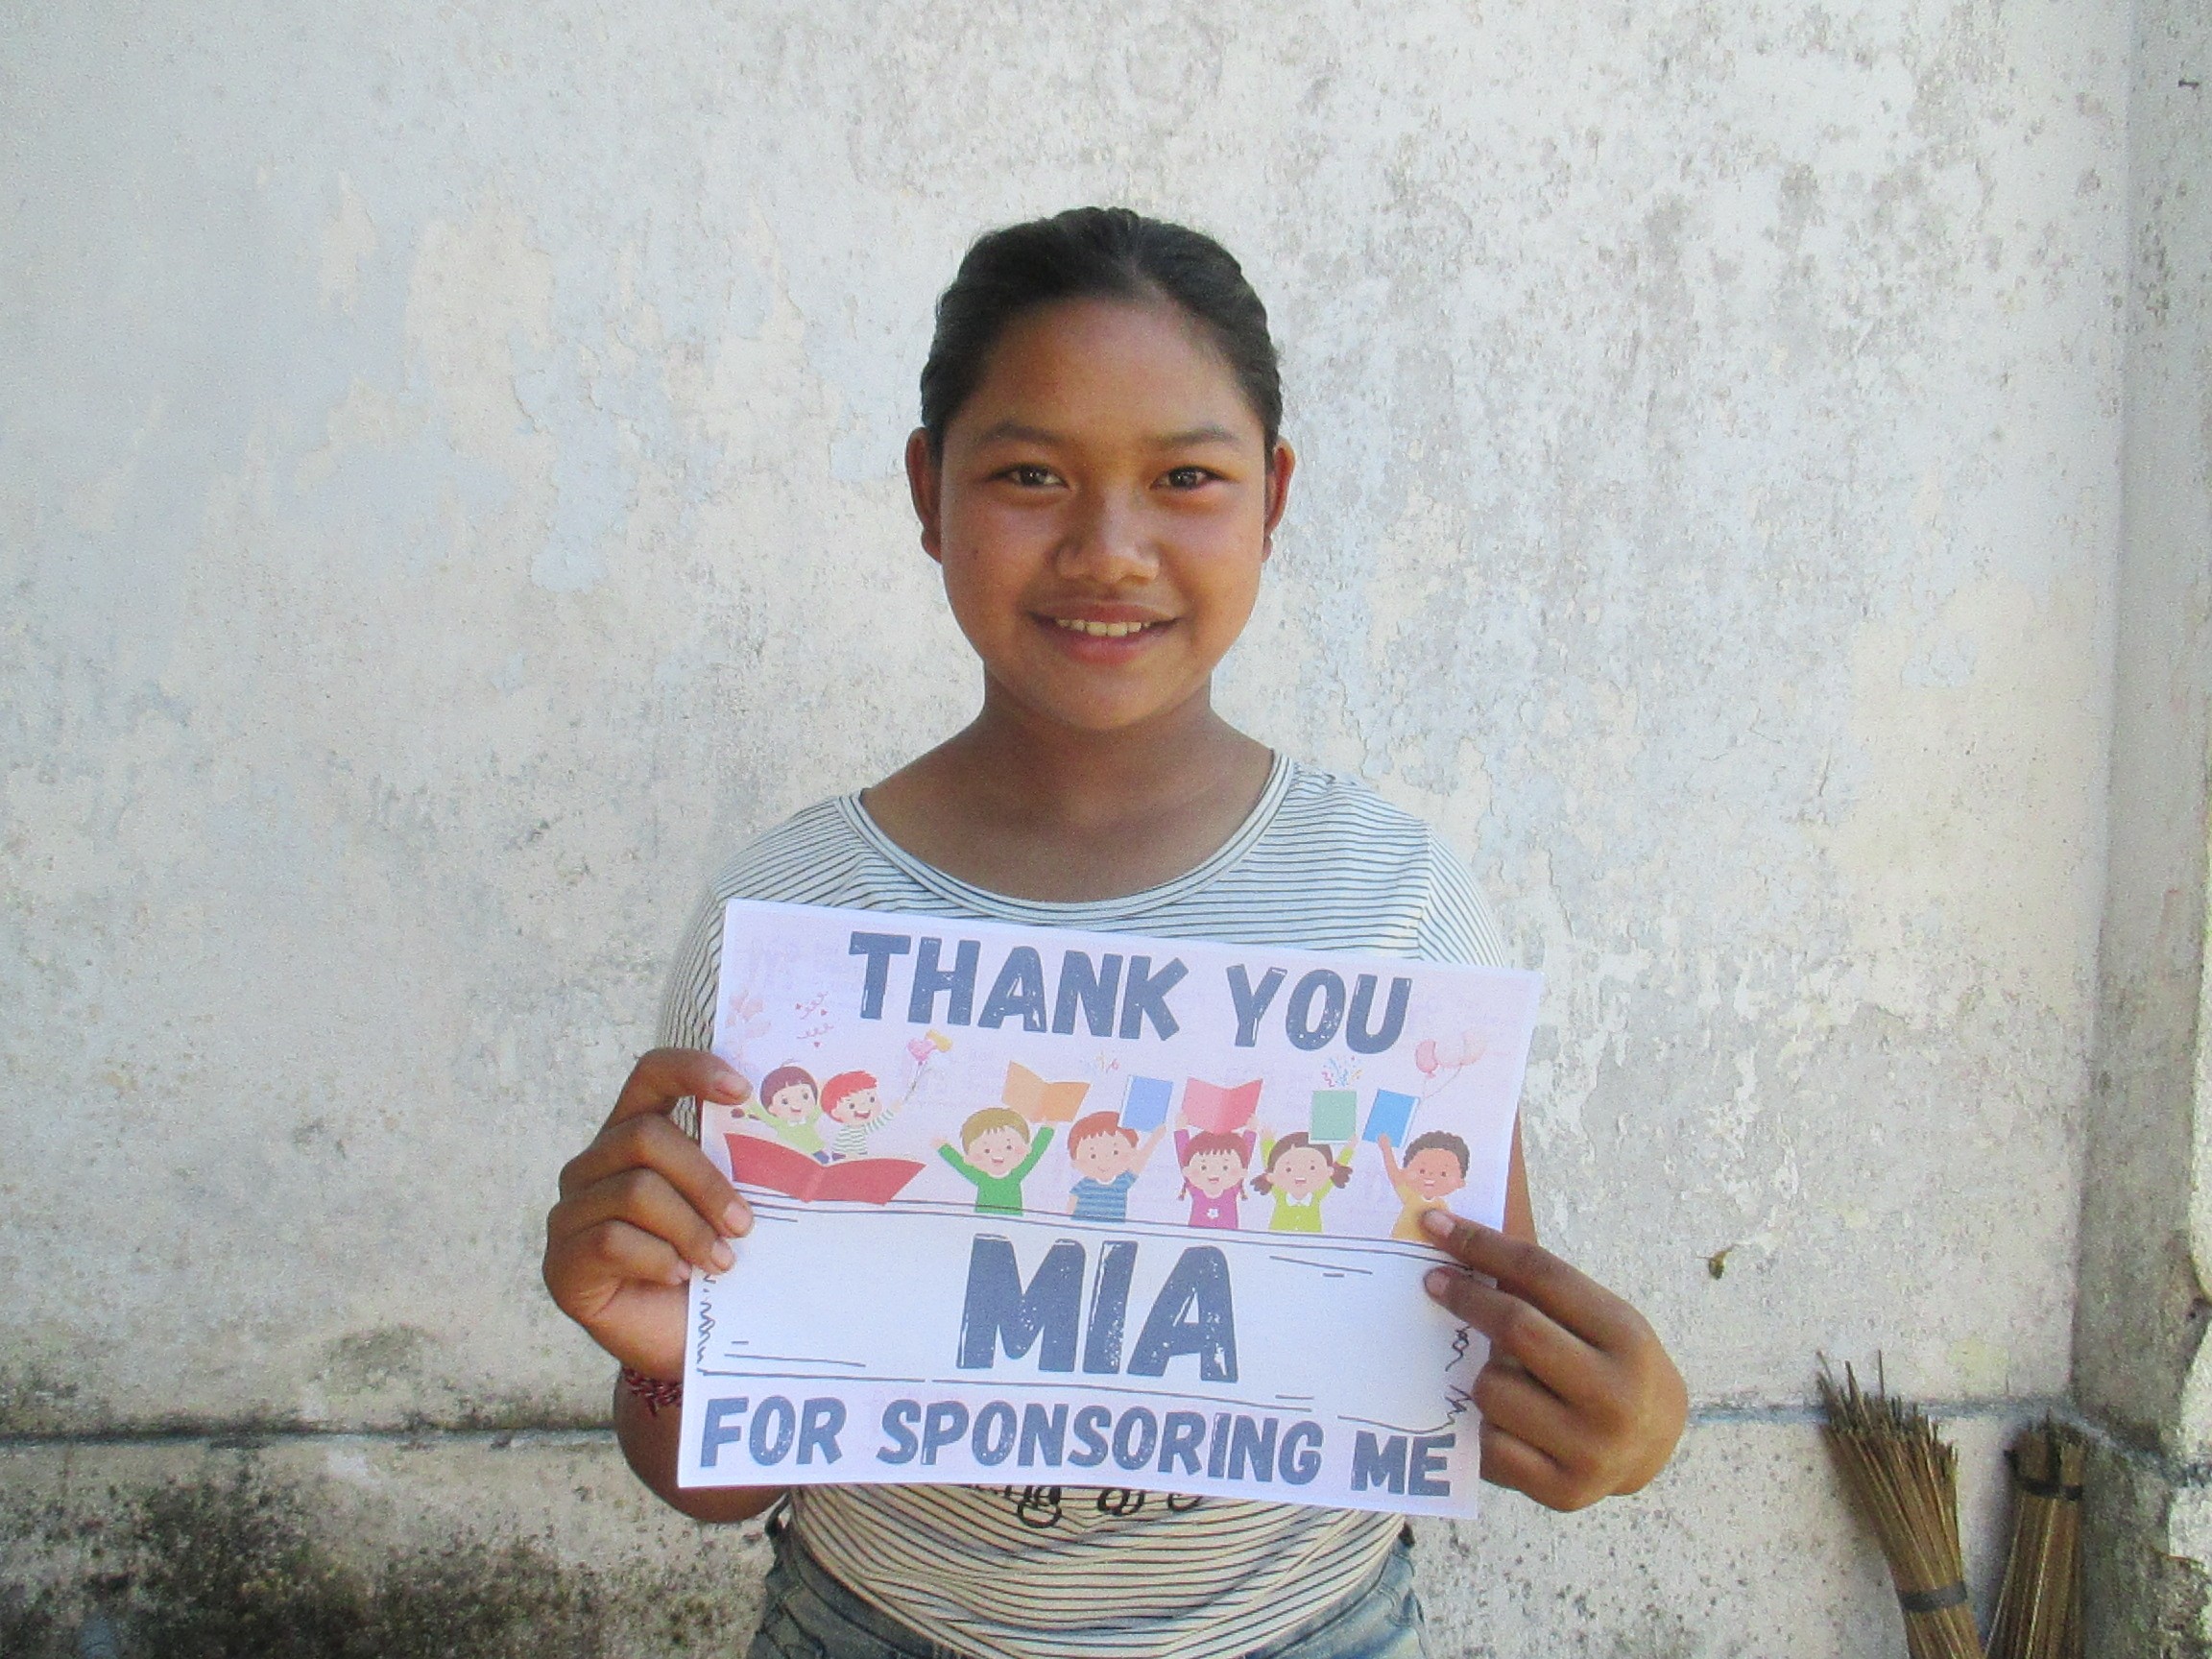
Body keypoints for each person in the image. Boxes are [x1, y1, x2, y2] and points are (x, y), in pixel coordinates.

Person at [541, 206, 1688, 1659]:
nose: (1110, 549)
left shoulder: (1394, 907)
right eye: (1030, 475)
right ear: (928, 491)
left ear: (1272, 497)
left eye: (1186, 478)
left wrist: (1622, 1430)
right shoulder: (795, 926)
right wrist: (662, 1360)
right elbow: (714, 1478)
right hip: (875, 1624)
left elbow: (1479, 1352)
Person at [935, 1107, 1052, 1215]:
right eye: (986, 1150)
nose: (998, 1153)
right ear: (969, 1158)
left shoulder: (1017, 1174)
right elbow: (959, 1163)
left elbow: (1037, 1150)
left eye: (1008, 1147)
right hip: (983, 1223)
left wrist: (1049, 1125)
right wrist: (943, 1147)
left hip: (1013, 1223)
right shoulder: (981, 1178)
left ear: (1026, 1149)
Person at [1066, 1111, 1166, 1221]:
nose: (1104, 1162)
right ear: (1076, 1161)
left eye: (1115, 1152)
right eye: (1093, 1156)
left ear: (1132, 1152)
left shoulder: (1122, 1181)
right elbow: (1071, 1204)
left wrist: (1154, 1139)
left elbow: (1140, 1161)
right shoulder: (1083, 1185)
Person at [1378, 1129, 1471, 1241]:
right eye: (1422, 1170)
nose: (1430, 1175)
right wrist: (1386, 1150)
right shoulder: (1411, 1196)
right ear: (1404, 1172)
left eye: (1443, 1173)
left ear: (1460, 1182)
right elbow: (1394, 1175)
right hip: (1399, 1243)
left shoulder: (1441, 1206)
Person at [1254, 1130, 1354, 1233]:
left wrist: (1349, 1148)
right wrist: (1266, 1141)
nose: (1300, 1173)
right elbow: (1270, 1163)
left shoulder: (1317, 1195)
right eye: (1289, 1169)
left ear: (1329, 1171)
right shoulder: (1280, 1192)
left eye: (1312, 1168)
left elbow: (1339, 1166)